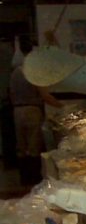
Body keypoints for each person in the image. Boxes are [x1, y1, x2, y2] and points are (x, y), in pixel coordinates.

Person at [8, 34, 63, 185]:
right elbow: (45, 95)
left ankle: (23, 179)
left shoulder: (14, 73)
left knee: (22, 147)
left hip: (17, 111)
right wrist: (62, 107)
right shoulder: (33, 72)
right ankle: (33, 181)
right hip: (32, 111)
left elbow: (10, 94)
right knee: (33, 146)